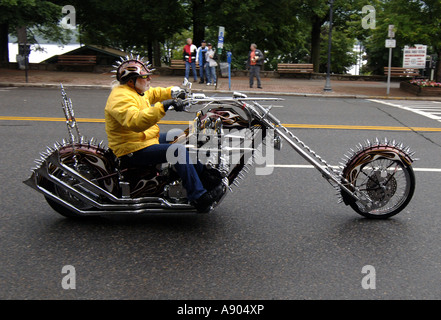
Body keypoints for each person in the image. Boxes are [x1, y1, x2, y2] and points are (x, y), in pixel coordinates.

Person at [105, 56, 223, 212]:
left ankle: (203, 176)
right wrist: (164, 106)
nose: (149, 79)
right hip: (130, 149)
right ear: (131, 80)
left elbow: (154, 93)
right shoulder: (120, 97)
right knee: (177, 151)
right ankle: (198, 196)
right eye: (145, 76)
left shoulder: (136, 91)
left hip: (142, 139)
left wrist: (175, 93)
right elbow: (135, 121)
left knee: (182, 138)